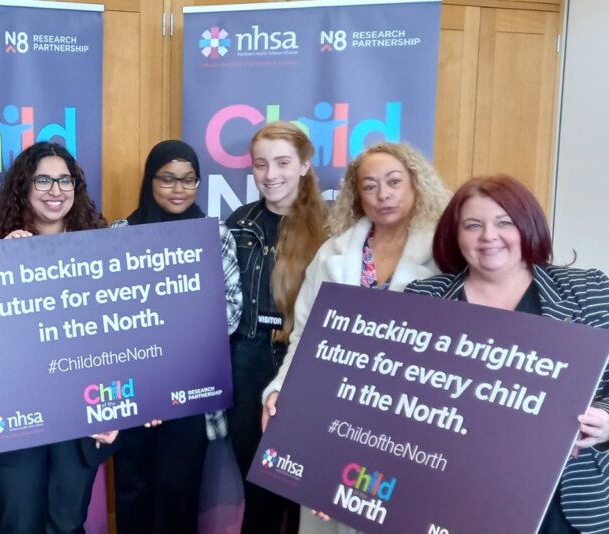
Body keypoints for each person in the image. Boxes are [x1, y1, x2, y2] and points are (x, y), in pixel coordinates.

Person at [261, 142, 450, 534]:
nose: (383, 195)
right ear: (355, 194)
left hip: (407, 419)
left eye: (394, 182)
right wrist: (280, 388)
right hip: (333, 411)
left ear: (415, 184)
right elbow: (306, 334)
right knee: (325, 516)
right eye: (370, 186)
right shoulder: (334, 252)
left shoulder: (445, 254)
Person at [404, 175, 609, 534]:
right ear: (455, 235)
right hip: (454, 496)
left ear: (527, 226)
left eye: (504, 223)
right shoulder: (422, 299)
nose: (488, 236)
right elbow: (385, 393)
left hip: (566, 502)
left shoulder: (589, 291)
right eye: (473, 225)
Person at [109, 139, 241, 534]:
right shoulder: (120, 234)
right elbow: (106, 313)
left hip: (189, 390)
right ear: (150, 181)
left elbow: (231, 310)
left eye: (189, 180)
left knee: (177, 492)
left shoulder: (214, 233)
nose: (179, 188)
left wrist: (175, 350)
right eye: (168, 179)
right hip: (132, 389)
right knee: (132, 491)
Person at [0, 141, 112, 533]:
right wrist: (0, 267)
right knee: (17, 523)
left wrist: (116, 408)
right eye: (43, 180)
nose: (55, 190)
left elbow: (120, 337)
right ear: (24, 185)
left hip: (82, 411)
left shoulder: (104, 250)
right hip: (16, 411)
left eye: (64, 180)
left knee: (67, 524)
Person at [225, 122, 328, 534]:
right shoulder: (239, 223)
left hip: (305, 363)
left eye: (283, 162)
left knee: (303, 487)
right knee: (259, 488)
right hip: (247, 361)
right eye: (260, 164)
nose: (271, 175)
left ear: (304, 165)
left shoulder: (334, 229)